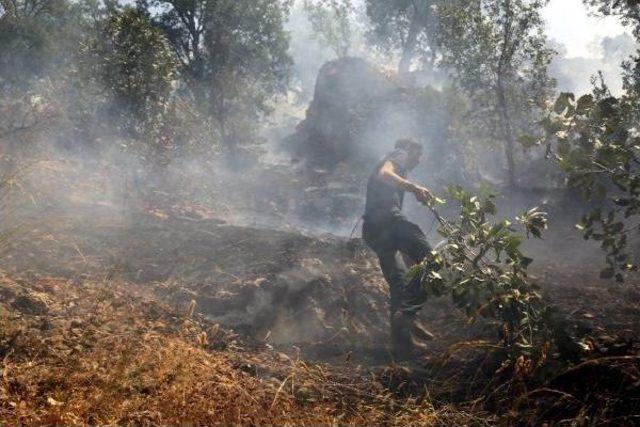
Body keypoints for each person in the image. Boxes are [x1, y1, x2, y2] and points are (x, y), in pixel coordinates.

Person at [361, 138, 434, 362]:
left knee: (399, 284)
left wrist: (413, 263)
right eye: (418, 154)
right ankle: (408, 316)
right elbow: (384, 173)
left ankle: (402, 344)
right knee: (432, 262)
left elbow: (403, 245)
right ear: (409, 149)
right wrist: (414, 188)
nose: (418, 160)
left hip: (374, 229)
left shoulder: (394, 164)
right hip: (387, 222)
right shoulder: (399, 155)